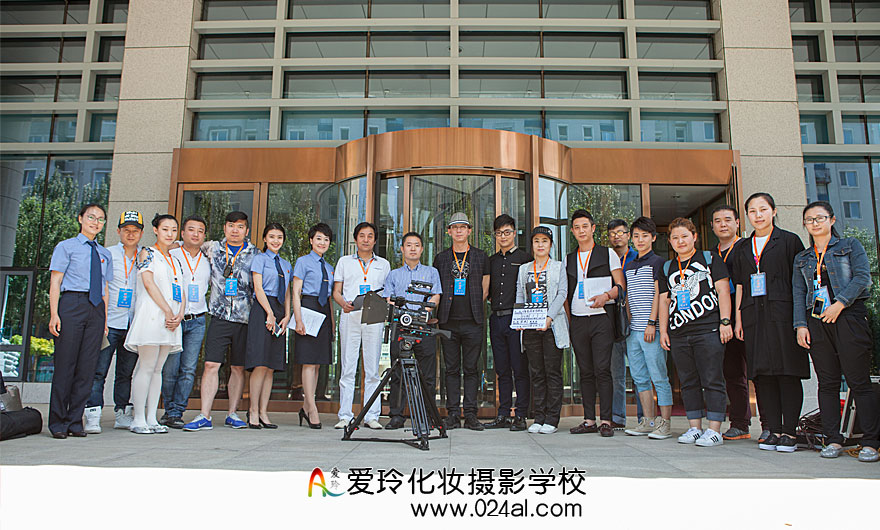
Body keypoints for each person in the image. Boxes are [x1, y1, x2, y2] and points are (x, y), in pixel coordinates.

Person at [793, 201, 879, 462]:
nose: (815, 223)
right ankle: (832, 439)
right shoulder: (803, 258)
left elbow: (862, 277)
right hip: (817, 320)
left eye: (820, 218)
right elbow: (799, 293)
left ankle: (871, 442)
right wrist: (800, 325)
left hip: (849, 316)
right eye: (810, 219)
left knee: (858, 381)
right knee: (827, 382)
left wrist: (839, 304)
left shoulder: (850, 246)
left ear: (831, 220)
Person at [731, 193, 807, 453]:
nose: (758, 215)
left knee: (787, 372)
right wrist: (738, 319)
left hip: (783, 316)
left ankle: (789, 431)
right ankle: (773, 430)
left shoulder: (788, 241)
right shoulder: (743, 247)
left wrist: (800, 320)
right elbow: (740, 285)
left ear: (773, 211)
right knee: (762, 375)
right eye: (752, 211)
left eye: (763, 209)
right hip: (753, 316)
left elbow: (800, 283)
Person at [658, 217, 733, 448]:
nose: (680, 241)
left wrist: (725, 321)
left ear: (694, 237)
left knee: (712, 379)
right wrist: (664, 330)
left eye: (684, 236)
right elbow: (663, 301)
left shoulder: (710, 259)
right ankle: (694, 427)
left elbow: (723, 291)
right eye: (675, 238)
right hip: (679, 332)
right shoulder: (667, 267)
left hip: (708, 329)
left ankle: (714, 430)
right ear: (670, 241)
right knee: (688, 381)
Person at [183, 211, 258, 431]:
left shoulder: (255, 253)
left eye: (240, 226)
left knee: (238, 367)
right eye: (231, 225)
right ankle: (204, 415)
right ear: (225, 228)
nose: (235, 230)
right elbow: (186, 245)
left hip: (244, 318)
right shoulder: (212, 248)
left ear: (246, 230)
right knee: (211, 364)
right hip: (219, 316)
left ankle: (232, 413)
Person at [47, 204, 114, 439]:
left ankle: (75, 421)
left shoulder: (105, 254)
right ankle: (57, 422)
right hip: (72, 304)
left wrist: (104, 319)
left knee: (87, 368)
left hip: (96, 310)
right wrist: (54, 314)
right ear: (80, 219)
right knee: (65, 366)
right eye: (91, 217)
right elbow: (55, 282)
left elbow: (105, 288)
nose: (96, 222)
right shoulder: (66, 247)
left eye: (100, 219)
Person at [124, 214, 186, 434]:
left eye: (173, 230)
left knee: (158, 369)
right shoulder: (147, 253)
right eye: (165, 229)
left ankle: (151, 417)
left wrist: (179, 314)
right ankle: (138, 418)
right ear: (156, 230)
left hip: (171, 321)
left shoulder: (175, 260)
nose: (170, 234)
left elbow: (181, 290)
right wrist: (167, 310)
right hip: (152, 316)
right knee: (146, 366)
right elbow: (148, 283)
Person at [566, 210, 625, 437]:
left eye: (585, 226)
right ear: (572, 231)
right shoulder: (569, 259)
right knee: (585, 371)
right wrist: (570, 320)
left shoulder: (607, 253)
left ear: (592, 228)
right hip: (578, 320)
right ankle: (589, 420)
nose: (581, 231)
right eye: (577, 227)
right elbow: (566, 294)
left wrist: (606, 296)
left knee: (602, 369)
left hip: (602, 318)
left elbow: (620, 286)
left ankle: (606, 420)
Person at [83, 211, 143, 434]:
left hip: (132, 324)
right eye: (126, 230)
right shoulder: (107, 254)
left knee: (125, 373)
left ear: (141, 233)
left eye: (135, 231)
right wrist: (101, 320)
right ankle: (93, 413)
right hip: (109, 323)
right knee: (99, 371)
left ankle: (122, 412)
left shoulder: (145, 256)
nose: (131, 234)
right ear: (118, 231)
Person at [433, 212, 490, 431]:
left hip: (473, 320)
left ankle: (471, 414)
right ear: (449, 231)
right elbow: (437, 288)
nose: (459, 230)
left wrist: (475, 303)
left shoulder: (480, 256)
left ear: (469, 231)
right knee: (451, 369)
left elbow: (485, 287)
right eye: (454, 227)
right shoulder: (441, 258)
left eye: (463, 227)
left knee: (472, 368)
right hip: (448, 320)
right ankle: (453, 414)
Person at [332, 222, 390, 430]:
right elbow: (336, 291)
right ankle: (345, 415)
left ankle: (372, 415)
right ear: (355, 239)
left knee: (372, 369)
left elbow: (387, 293)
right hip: (351, 316)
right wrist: (343, 304)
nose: (366, 239)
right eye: (362, 235)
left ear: (375, 240)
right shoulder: (344, 262)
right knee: (348, 367)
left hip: (374, 318)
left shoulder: (384, 264)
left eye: (370, 236)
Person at [621, 217, 673, 439]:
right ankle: (648, 421)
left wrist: (652, 323)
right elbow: (629, 296)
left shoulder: (658, 262)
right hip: (633, 331)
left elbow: (659, 295)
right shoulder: (630, 264)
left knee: (659, 377)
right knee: (640, 378)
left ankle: (665, 423)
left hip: (652, 329)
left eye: (644, 236)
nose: (640, 240)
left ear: (653, 238)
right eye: (636, 236)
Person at [384, 232, 442, 430]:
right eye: (409, 245)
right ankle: (396, 415)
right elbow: (389, 298)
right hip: (401, 326)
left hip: (424, 326)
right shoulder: (394, 274)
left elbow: (435, 296)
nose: (413, 249)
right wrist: (404, 314)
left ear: (422, 249)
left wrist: (422, 313)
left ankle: (427, 416)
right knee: (398, 373)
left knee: (427, 375)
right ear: (402, 249)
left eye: (417, 245)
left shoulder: (431, 272)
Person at [709, 205, 756, 441]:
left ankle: (770, 425)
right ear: (712, 226)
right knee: (732, 372)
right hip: (721, 319)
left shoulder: (748, 248)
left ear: (738, 223)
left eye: (728, 220)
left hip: (747, 316)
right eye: (718, 221)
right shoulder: (710, 255)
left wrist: (738, 318)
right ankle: (740, 423)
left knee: (757, 371)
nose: (723, 224)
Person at [516, 226, 568, 434]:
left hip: (551, 326)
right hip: (530, 326)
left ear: (550, 245)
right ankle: (538, 417)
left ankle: (552, 419)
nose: (540, 245)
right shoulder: (524, 269)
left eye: (544, 241)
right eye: (536, 241)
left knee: (552, 372)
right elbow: (520, 294)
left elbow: (562, 293)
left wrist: (549, 318)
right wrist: (519, 317)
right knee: (536, 373)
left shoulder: (558, 267)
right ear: (532, 245)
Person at [160, 215, 211, 429]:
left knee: (189, 369)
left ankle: (177, 412)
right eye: (191, 230)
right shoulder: (171, 254)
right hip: (174, 319)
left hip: (197, 320)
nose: (196, 234)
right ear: (182, 233)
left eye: (200, 231)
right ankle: (168, 409)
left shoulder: (208, 258)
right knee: (170, 368)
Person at [485, 214, 531, 431]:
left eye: (507, 232)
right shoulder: (491, 261)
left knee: (519, 368)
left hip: (518, 318)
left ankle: (520, 414)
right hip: (496, 318)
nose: (503, 236)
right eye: (499, 233)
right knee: (502, 369)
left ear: (514, 233)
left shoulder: (525, 259)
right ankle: (503, 413)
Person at [245, 223, 292, 429]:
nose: (275, 241)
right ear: (265, 239)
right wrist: (269, 313)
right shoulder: (260, 259)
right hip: (263, 309)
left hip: (280, 311)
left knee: (271, 366)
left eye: (279, 237)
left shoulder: (286, 264)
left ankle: (264, 412)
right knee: (260, 363)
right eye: (271, 236)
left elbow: (288, 291)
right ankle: (253, 411)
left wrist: (287, 315)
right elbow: (258, 288)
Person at [292, 223, 335, 429]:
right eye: (318, 238)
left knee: (317, 363)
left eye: (326, 239)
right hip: (308, 309)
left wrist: (332, 323)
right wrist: (298, 319)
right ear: (311, 240)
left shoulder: (330, 267)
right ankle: (312, 408)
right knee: (308, 362)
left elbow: (330, 297)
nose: (322, 243)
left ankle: (306, 406)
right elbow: (295, 292)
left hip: (324, 312)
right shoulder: (303, 262)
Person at [607, 219, 641, 430]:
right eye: (612, 233)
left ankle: (644, 418)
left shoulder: (638, 258)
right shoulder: (605, 259)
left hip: (635, 320)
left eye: (620, 232)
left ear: (628, 235)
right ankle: (618, 417)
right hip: (612, 322)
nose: (616, 236)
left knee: (639, 373)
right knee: (616, 374)